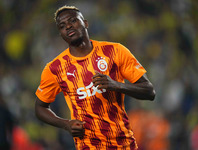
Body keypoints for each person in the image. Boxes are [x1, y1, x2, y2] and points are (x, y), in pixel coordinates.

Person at [35, 5, 155, 150]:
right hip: (88, 145)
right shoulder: (54, 68)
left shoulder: (115, 51)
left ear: (85, 23)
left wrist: (116, 85)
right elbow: (40, 108)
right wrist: (66, 124)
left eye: (73, 20)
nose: (68, 26)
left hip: (124, 144)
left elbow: (149, 92)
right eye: (62, 26)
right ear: (60, 34)